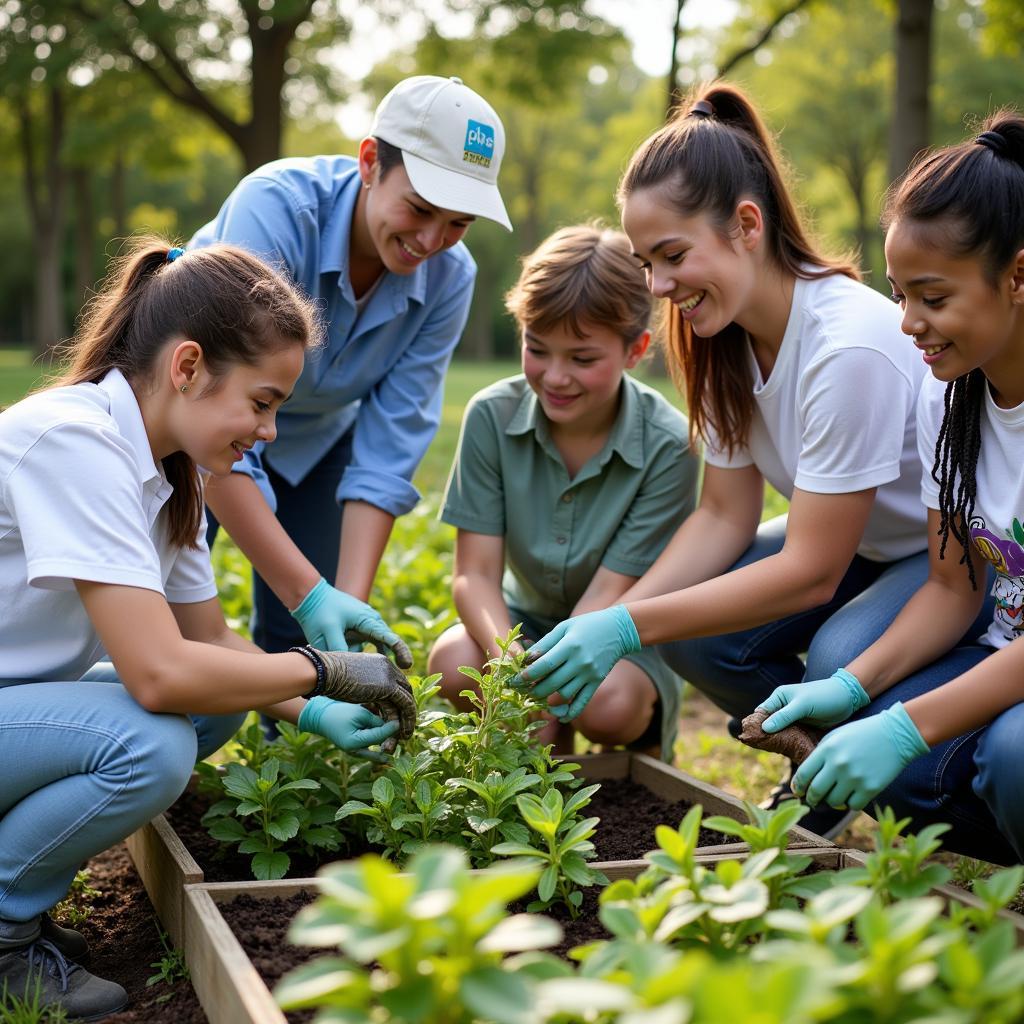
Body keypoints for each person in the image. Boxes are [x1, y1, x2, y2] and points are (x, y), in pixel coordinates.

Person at [513, 83, 965, 838]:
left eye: (672, 256)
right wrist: (621, 621)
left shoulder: (845, 346)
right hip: (861, 550)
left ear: (746, 225)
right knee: (693, 629)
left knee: (837, 655)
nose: (657, 286)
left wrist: (625, 628)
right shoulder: (721, 339)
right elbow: (725, 514)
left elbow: (811, 571)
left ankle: (880, 778)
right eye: (646, 262)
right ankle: (820, 761)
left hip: (943, 559)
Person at [0, 239, 416, 1019]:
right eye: (262, 402)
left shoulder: (173, 469)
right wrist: (319, 670)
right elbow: (158, 673)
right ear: (187, 366)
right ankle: (2, 929)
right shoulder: (76, 442)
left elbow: (213, 647)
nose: (269, 432)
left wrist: (316, 709)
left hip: (13, 704)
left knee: (218, 703)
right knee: (152, 745)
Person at [758, 112, 1024, 865]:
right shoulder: (952, 393)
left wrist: (909, 726)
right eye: (901, 294)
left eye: (932, 298)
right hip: (1003, 650)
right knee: (880, 728)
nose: (908, 323)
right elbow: (950, 585)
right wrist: (852, 685)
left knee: (1013, 755)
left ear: (1019, 275)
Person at [190, 75, 511, 671]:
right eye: (419, 209)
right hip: (191, 432)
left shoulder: (450, 278)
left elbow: (390, 445)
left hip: (317, 436)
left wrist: (344, 609)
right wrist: (311, 593)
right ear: (370, 162)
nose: (431, 240)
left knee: (306, 634)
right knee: (164, 608)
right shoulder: (277, 211)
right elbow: (220, 420)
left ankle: (297, 756)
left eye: (459, 223)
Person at [428, 225, 699, 758]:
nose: (555, 377)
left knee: (608, 705)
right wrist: (508, 661)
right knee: (451, 662)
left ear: (635, 350)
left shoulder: (668, 445)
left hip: (621, 632)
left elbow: (610, 594)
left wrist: (546, 688)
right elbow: (474, 573)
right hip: (521, 622)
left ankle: (635, 753)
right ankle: (545, 756)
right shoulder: (491, 415)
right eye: (538, 348)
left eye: (581, 358)